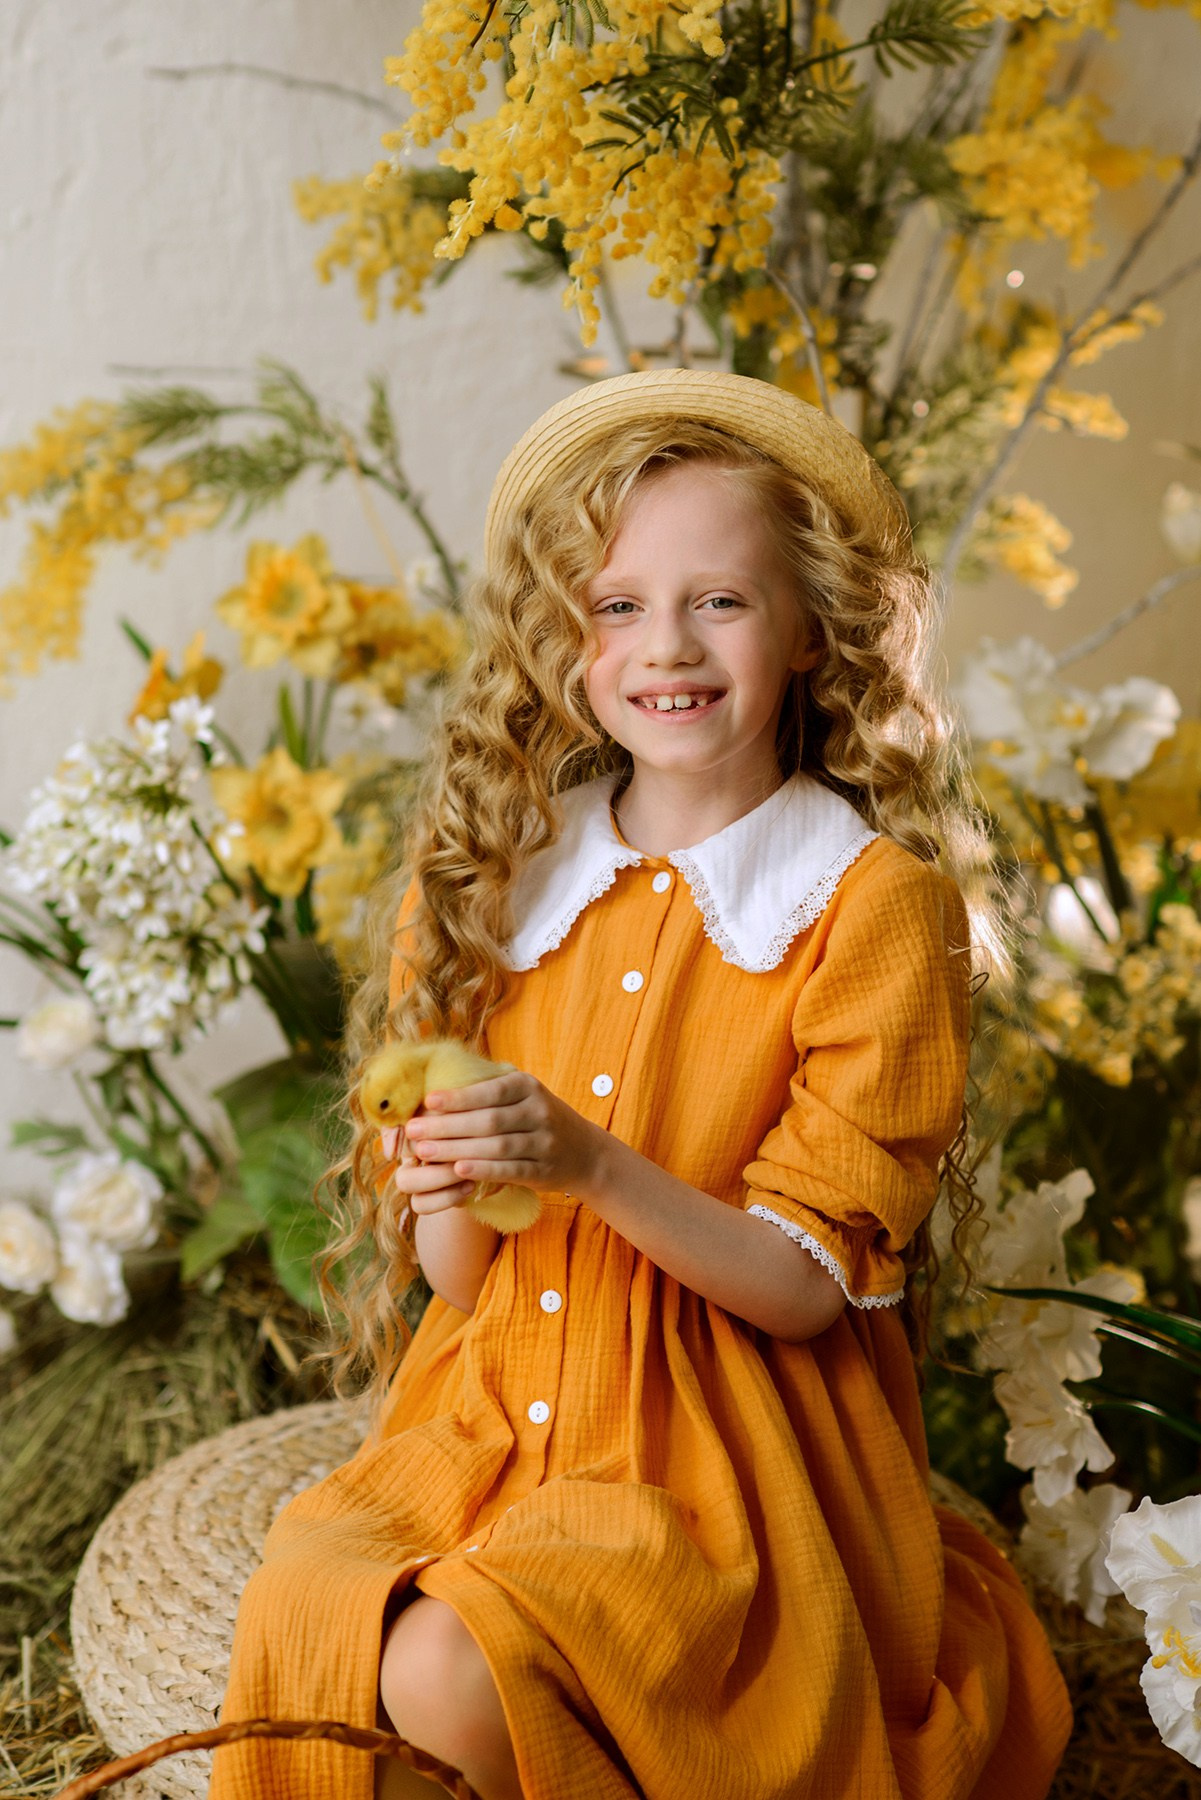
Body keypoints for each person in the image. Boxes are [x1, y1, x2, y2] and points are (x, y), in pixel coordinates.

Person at [211, 369, 1073, 1800]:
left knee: (433, 1670)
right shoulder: (503, 876)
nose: (663, 647)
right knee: (308, 1607)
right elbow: (466, 1284)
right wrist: (453, 1183)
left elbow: (804, 1289)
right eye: (617, 606)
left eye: (720, 602)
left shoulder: (869, 908)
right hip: (495, 1412)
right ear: (566, 637)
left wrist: (589, 1160)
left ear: (809, 630)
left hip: (726, 1455)